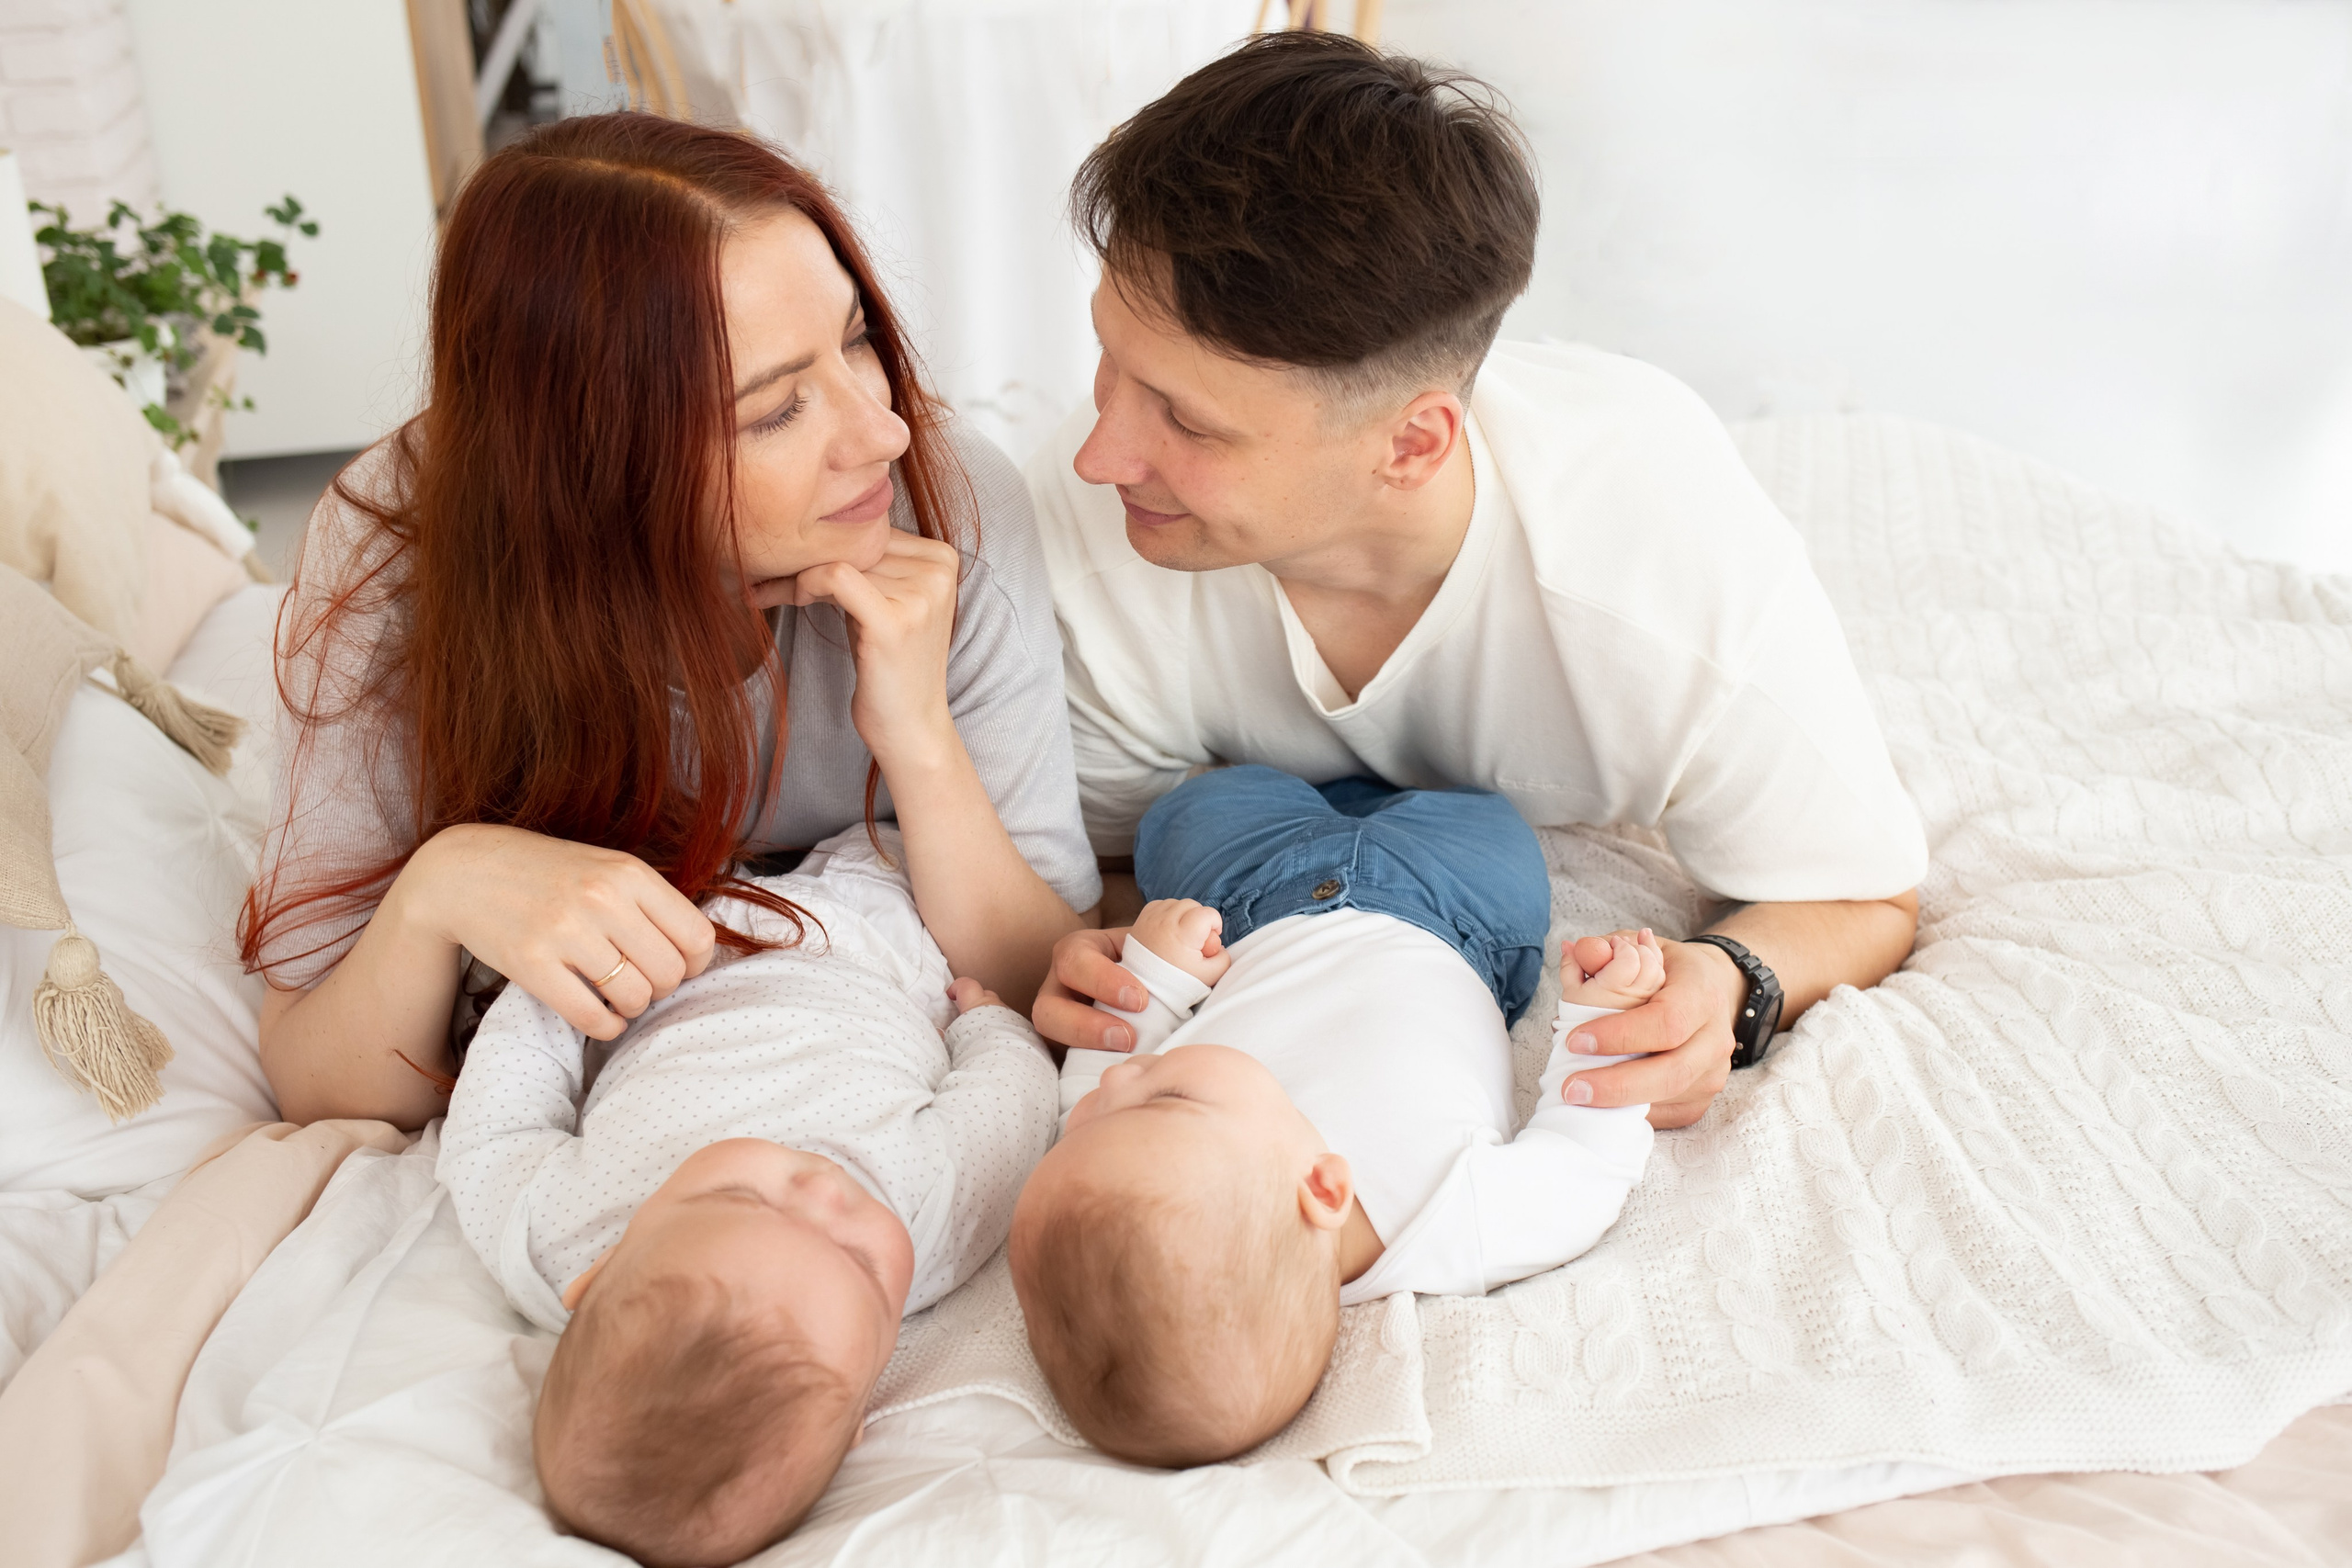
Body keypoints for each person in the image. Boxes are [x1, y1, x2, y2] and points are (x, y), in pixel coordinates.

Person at [1024, 34, 1927, 1129]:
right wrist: (1094, 955)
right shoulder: (1090, 535)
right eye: (1109, 361)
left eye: (1186, 419)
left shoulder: (1660, 581)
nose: (1100, 455)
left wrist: (1731, 982)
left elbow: (1864, 894)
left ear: (1412, 445)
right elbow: (1110, 875)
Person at [241, 115, 1097, 1128]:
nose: (884, 431)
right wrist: (443, 887)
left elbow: (1052, 988)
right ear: (591, 461)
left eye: (856, 338)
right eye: (774, 411)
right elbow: (321, 1079)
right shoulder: (395, 556)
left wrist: (920, 739)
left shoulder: (946, 507)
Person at [1012, 764, 1659, 1466]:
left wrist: (1154, 977)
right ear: (1323, 1186)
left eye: (1088, 1123)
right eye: (1166, 1098)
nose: (1119, 1082)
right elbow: (1586, 1163)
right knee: (1493, 823)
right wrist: (1602, 1019)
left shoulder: (1113, 1152)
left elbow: (1098, 1065)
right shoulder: (1450, 1220)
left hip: (1240, 905)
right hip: (1455, 906)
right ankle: (1397, 766)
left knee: (1188, 813)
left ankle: (1305, 769)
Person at [439, 828, 1057, 1562]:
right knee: (897, 855)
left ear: (595, 1275)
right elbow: (1011, 1107)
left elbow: (495, 1123)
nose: (825, 1192)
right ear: (865, 1405)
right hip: (867, 951)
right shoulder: (935, 1217)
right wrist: (988, 1023)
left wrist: (563, 986)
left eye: (746, 1199)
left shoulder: (556, 1233)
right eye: (861, 1262)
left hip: (666, 942)